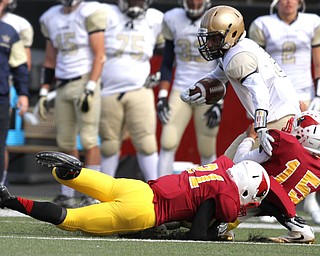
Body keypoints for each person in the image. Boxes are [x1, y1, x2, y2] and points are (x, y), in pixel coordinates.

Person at [0, 150, 270, 239]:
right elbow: (197, 235)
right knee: (71, 219)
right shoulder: (226, 197)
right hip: (143, 212)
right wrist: (217, 233)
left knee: (78, 178)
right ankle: (10, 200)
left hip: (137, 187)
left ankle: (67, 172)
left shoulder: (221, 168)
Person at [180, 5, 301, 160]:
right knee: (229, 167)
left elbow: (260, 91)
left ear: (232, 33)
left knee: (228, 169)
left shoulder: (238, 59)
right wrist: (195, 88)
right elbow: (218, 75)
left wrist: (261, 126)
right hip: (282, 117)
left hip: (276, 122)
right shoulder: (239, 47)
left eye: (214, 39)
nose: (209, 44)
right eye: (208, 38)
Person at [248, 0, 320, 225]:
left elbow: (317, 62)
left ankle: (309, 200)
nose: (288, 3)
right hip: (275, 98)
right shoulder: (262, 24)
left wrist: (318, 93)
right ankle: (269, 197)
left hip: (305, 94)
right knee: (272, 148)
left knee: (312, 151)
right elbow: (254, 63)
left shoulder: (313, 22)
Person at [37, 0, 107, 207]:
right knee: (65, 141)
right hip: (62, 84)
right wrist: (43, 91)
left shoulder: (89, 12)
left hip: (84, 80)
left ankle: (92, 192)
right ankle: (68, 193)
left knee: (88, 138)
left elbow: (100, 55)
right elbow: (50, 59)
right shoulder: (50, 16)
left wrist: (91, 86)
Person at [230, 110, 320, 243]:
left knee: (248, 170)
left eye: (297, 125)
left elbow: (239, 160)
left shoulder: (284, 142)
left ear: (306, 135)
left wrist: (250, 137)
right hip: (279, 207)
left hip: (253, 194)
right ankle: (298, 227)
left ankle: (222, 222)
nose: (291, 126)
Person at [99, 0, 164, 181]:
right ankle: (104, 191)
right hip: (109, 91)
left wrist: (159, 73)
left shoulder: (156, 19)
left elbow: (168, 51)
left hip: (139, 89)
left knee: (146, 143)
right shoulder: (106, 13)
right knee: (109, 145)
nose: (136, 4)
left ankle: (157, 189)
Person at [157, 0, 221, 177]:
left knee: (207, 145)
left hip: (208, 88)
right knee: (167, 141)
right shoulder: (172, 18)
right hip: (181, 89)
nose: (194, 3)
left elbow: (224, 64)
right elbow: (167, 62)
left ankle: (209, 193)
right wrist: (162, 96)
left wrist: (219, 102)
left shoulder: (216, 19)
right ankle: (158, 193)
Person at [0, 0, 34, 186]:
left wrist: (23, 93)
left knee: (0, 144)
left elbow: (21, 66)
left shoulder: (9, 31)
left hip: (1, 96)